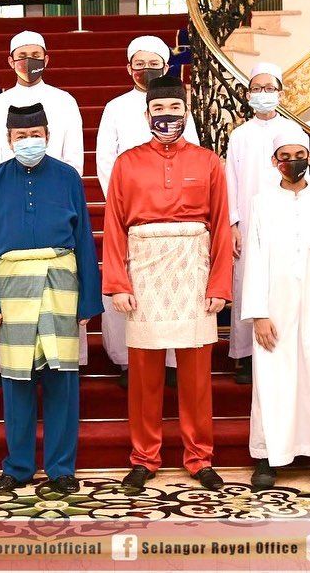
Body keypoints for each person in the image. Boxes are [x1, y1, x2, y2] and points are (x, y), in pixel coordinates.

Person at [102, 76, 232, 491]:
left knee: (196, 374)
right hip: (144, 269)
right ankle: (145, 457)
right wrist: (118, 282)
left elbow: (222, 225)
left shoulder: (209, 161)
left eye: (174, 110)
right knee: (144, 375)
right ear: (147, 115)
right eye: (159, 110)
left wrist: (219, 284)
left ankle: (199, 456)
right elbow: (114, 226)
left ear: (185, 112)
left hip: (192, 267)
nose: (167, 117)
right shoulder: (127, 163)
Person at [0, 103, 103, 495]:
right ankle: (18, 466)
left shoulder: (67, 177)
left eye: (35, 136)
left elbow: (83, 238)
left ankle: (61, 468)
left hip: (59, 283)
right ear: (8, 140)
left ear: (47, 136)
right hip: (11, 287)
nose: (29, 142)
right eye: (20, 137)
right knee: (16, 380)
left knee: (62, 378)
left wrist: (88, 300)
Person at [241, 129, 310, 491]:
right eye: (285, 155)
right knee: (273, 380)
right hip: (274, 308)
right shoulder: (260, 203)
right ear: (275, 162)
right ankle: (267, 457)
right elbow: (253, 259)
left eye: (300, 154)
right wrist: (258, 313)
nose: (294, 161)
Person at [0, 30, 86, 388]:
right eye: (22, 55)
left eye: (36, 54)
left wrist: (55, 186)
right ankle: (0, 365)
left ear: (47, 58)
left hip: (55, 195)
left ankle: (64, 363)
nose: (29, 61)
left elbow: (73, 154)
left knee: (61, 362)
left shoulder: (65, 101)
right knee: (14, 359)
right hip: (9, 197)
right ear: (10, 61)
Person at [96, 35, 200, 387]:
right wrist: (122, 205)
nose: (146, 70)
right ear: (128, 68)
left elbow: (194, 156)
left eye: (153, 63)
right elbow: (106, 160)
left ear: (166, 67)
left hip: (177, 215)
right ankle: (129, 361)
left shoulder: (179, 104)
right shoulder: (114, 107)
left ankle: (172, 361)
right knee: (133, 287)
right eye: (138, 64)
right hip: (132, 213)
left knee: (174, 287)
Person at [226, 62, 306, 384]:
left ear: (280, 93)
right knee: (247, 283)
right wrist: (233, 222)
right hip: (247, 220)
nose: (263, 94)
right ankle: (245, 355)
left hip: (285, 217)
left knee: (282, 280)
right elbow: (230, 179)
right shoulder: (239, 135)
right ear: (248, 95)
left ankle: (282, 346)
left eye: (269, 88)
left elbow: (303, 176)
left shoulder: (294, 133)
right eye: (257, 89)